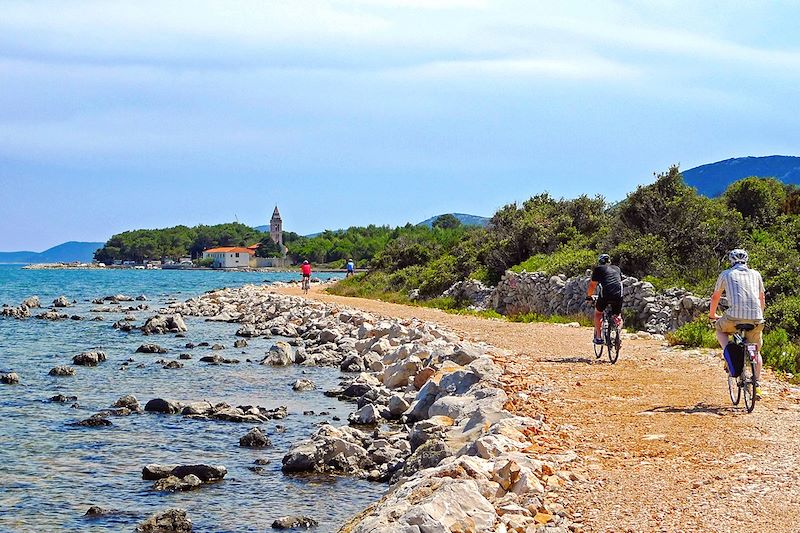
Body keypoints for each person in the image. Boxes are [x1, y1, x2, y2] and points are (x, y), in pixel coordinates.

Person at [709, 248, 765, 398]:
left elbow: (715, 297)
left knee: (720, 329)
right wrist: (759, 315)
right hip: (756, 319)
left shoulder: (726, 274)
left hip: (734, 318)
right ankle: (757, 384)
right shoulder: (756, 274)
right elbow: (762, 299)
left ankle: (730, 353)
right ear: (746, 261)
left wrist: (712, 314)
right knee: (756, 350)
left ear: (731, 261)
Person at [586, 254, 624, 345]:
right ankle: (618, 334)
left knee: (598, 313)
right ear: (609, 261)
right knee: (618, 315)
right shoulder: (617, 269)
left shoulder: (598, 269)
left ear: (600, 262)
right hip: (619, 295)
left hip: (606, 295)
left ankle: (599, 338)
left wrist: (589, 296)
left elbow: (592, 285)